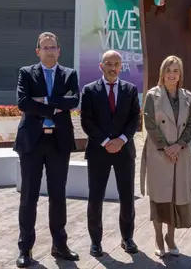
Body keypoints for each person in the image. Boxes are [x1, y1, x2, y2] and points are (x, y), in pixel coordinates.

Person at [14, 32, 81, 268]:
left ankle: (59, 246)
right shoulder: (26, 73)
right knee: (28, 197)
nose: (50, 51)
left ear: (59, 50)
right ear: (38, 51)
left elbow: (73, 100)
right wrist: (55, 107)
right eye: (45, 47)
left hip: (58, 142)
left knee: (58, 195)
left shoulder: (69, 74)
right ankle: (25, 249)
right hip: (32, 143)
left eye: (53, 47)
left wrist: (42, 102)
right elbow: (23, 102)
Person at [79, 50, 141, 257]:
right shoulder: (89, 90)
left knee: (127, 198)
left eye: (116, 64)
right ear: (101, 66)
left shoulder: (131, 90)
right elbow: (86, 121)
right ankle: (96, 242)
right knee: (95, 198)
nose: (113, 67)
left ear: (121, 66)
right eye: (109, 63)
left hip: (124, 151)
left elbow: (135, 119)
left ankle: (127, 238)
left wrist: (121, 140)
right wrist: (106, 142)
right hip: (99, 151)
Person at [140, 55, 191, 257]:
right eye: (168, 70)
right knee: (160, 196)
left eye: (176, 70)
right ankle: (158, 237)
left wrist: (179, 145)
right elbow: (150, 124)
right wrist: (166, 147)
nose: (172, 74)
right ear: (162, 73)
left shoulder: (187, 96)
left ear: (180, 74)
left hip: (180, 154)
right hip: (159, 153)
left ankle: (170, 237)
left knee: (176, 195)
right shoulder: (152, 95)